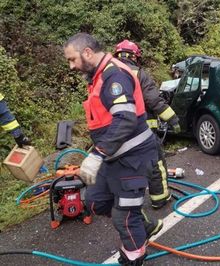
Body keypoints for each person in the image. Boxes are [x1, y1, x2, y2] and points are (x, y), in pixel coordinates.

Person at [64, 33, 161, 265]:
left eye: (72, 59)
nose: (71, 66)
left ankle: (135, 256)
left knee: (123, 216)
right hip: (113, 157)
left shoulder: (114, 75)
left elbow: (125, 118)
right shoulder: (97, 76)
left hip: (133, 158)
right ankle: (143, 224)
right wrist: (99, 153)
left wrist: (98, 153)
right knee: (96, 201)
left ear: (87, 53)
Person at [114, 39, 181, 209]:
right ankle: (159, 198)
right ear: (134, 57)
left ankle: (122, 205)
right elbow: (153, 100)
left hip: (114, 134)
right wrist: (172, 119)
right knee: (155, 163)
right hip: (140, 131)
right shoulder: (138, 74)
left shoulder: (106, 75)